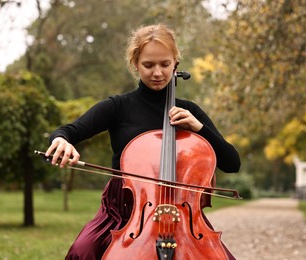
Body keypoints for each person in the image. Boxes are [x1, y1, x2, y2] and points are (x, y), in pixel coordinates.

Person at [45, 24, 241, 260]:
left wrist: (199, 128)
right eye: (148, 65)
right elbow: (67, 131)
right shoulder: (118, 107)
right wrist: (61, 141)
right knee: (82, 251)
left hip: (181, 214)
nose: (157, 73)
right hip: (123, 211)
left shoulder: (189, 111)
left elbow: (232, 162)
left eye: (165, 64)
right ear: (135, 64)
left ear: (175, 63)